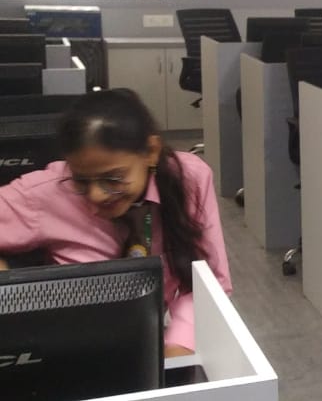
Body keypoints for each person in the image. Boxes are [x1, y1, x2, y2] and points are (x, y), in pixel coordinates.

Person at [0, 89, 231, 357]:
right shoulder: (46, 193)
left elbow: (210, 281)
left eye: (113, 178)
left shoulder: (188, 178)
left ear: (151, 152)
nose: (96, 194)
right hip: (67, 349)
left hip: (151, 340)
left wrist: (179, 343)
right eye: (81, 180)